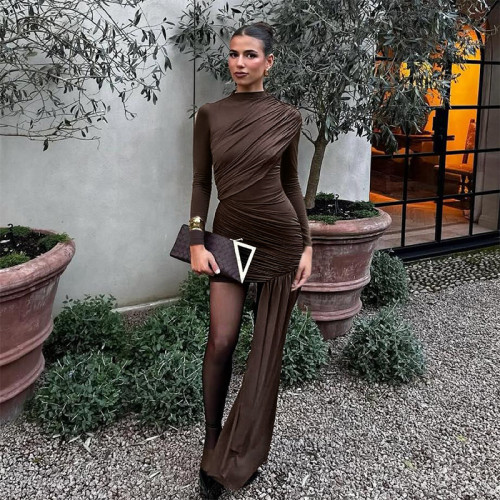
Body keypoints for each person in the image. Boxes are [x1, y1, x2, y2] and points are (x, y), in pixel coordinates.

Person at [188, 21, 313, 499]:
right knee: (222, 339)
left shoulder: (287, 117)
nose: (239, 63)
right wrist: (197, 240)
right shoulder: (211, 114)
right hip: (229, 237)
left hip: (281, 239)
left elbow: (290, 183)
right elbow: (201, 182)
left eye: (250, 55)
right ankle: (213, 440)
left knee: (265, 352)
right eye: (234, 54)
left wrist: (307, 244)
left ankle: (243, 449)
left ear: (269, 62)